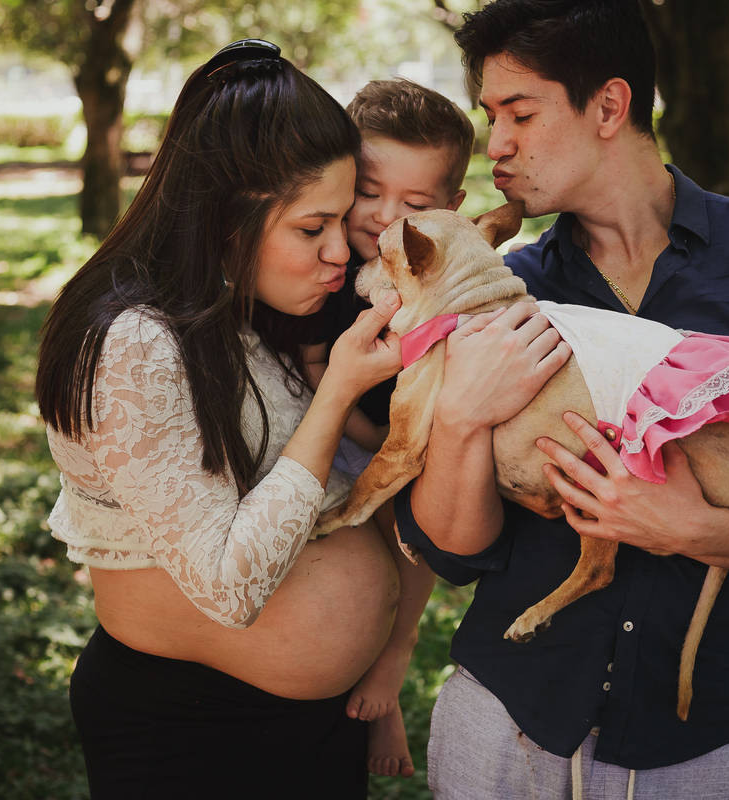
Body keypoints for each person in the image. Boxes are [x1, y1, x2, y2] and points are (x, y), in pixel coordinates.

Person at [391, 1, 729, 798]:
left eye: (521, 113)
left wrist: (691, 528)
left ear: (610, 107)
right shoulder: (508, 289)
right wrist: (455, 419)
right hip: (504, 723)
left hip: (709, 744)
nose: (500, 145)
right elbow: (454, 555)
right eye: (491, 117)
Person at [36, 39, 406, 798]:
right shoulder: (132, 343)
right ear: (227, 215)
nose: (339, 251)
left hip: (307, 720)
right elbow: (228, 587)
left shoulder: (244, 311)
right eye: (313, 228)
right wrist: (335, 393)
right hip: (193, 733)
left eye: (344, 221)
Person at [297, 77, 477, 778]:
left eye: (416, 203)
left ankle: (394, 654)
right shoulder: (320, 248)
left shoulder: (431, 272)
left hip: (397, 436)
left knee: (408, 533)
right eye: (369, 190)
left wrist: (382, 447)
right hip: (321, 420)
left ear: (452, 210)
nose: (383, 218)